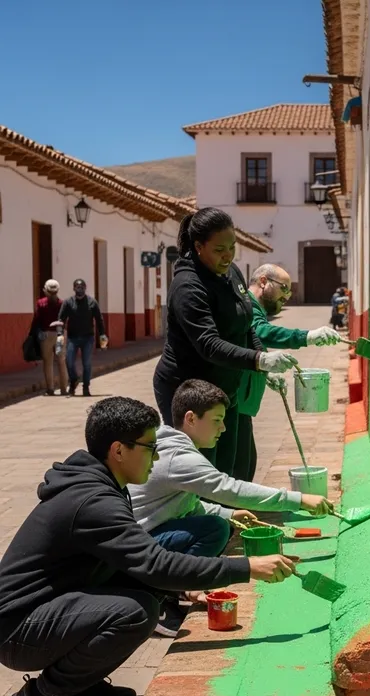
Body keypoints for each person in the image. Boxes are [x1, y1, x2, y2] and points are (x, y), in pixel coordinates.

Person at [0, 397, 299, 696]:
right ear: (119, 450)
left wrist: (182, 584)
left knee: (148, 589)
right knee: (136, 612)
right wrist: (246, 567)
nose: (156, 458)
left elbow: (144, 559)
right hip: (17, 630)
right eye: (150, 448)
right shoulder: (94, 502)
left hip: (49, 607)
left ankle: (79, 682)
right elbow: (156, 564)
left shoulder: (103, 483)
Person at [129, 379, 331, 636]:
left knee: (217, 524)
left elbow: (183, 504)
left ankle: (177, 588)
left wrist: (228, 513)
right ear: (191, 418)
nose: (223, 428)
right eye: (216, 420)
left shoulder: (174, 446)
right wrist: (299, 499)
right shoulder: (179, 458)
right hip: (140, 546)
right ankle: (160, 600)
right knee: (213, 530)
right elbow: (231, 489)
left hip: (146, 535)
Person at [153, 209, 298, 474]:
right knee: (203, 470)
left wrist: (262, 364)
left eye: (232, 247)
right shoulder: (188, 286)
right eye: (220, 249)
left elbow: (244, 325)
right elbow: (208, 344)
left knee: (232, 466)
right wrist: (259, 360)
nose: (228, 255)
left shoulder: (231, 273)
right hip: (189, 390)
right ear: (198, 247)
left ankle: (228, 514)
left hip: (223, 387)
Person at [234, 264, 341, 481]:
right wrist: (307, 336)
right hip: (235, 402)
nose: (287, 297)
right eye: (284, 288)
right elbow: (261, 332)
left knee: (246, 465)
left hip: (244, 405)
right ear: (263, 282)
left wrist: (266, 375)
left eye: (290, 292)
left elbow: (251, 344)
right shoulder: (248, 306)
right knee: (239, 468)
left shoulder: (256, 310)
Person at [59, 278, 108, 397]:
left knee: (86, 363)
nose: (79, 289)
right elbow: (61, 319)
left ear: (85, 288)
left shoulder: (92, 302)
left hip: (88, 338)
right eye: (77, 287)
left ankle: (86, 387)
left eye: (81, 287)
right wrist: (59, 334)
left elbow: (99, 320)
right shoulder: (68, 302)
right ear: (74, 288)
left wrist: (102, 336)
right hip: (72, 338)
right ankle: (73, 380)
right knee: (69, 361)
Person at [31, 279, 68, 396]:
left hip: (46, 334)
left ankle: (50, 388)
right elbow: (65, 320)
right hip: (59, 334)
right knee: (61, 361)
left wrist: (33, 333)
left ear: (45, 291)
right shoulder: (62, 303)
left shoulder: (41, 303)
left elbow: (37, 319)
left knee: (48, 362)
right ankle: (63, 389)